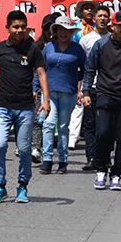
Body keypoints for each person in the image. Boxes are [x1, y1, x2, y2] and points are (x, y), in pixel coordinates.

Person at [0, 10, 50, 204]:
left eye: (23, 27)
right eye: (15, 27)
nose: (19, 30)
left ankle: (23, 186)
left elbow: (41, 74)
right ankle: (0, 186)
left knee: (24, 149)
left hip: (25, 108)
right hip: (3, 107)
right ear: (7, 28)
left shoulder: (33, 49)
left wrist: (46, 100)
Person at [82, 11, 121, 191]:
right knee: (102, 134)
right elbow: (89, 69)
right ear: (113, 26)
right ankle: (101, 169)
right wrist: (86, 92)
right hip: (104, 94)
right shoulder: (100, 45)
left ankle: (116, 174)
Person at [38, 16, 86, 175]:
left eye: (67, 30)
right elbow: (40, 70)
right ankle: (47, 159)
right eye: (60, 29)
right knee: (48, 124)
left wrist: (81, 89)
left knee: (64, 127)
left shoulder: (77, 49)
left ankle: (63, 161)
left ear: (71, 32)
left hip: (68, 93)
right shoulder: (48, 48)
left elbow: (84, 70)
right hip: (49, 93)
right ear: (55, 31)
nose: (63, 33)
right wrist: (34, 88)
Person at [71, 5, 111, 170]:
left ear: (109, 19)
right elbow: (81, 66)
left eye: (105, 16)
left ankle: (105, 157)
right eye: (99, 16)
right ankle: (91, 157)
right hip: (91, 87)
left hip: (109, 88)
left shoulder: (113, 39)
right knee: (90, 124)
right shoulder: (86, 40)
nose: (102, 19)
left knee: (107, 125)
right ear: (94, 19)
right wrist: (81, 89)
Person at [30, 12, 61, 163]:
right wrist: (34, 88)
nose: (51, 31)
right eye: (48, 28)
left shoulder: (65, 46)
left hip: (59, 89)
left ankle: (59, 152)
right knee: (39, 118)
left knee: (54, 122)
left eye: (54, 28)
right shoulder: (38, 46)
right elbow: (37, 71)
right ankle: (36, 148)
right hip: (41, 88)